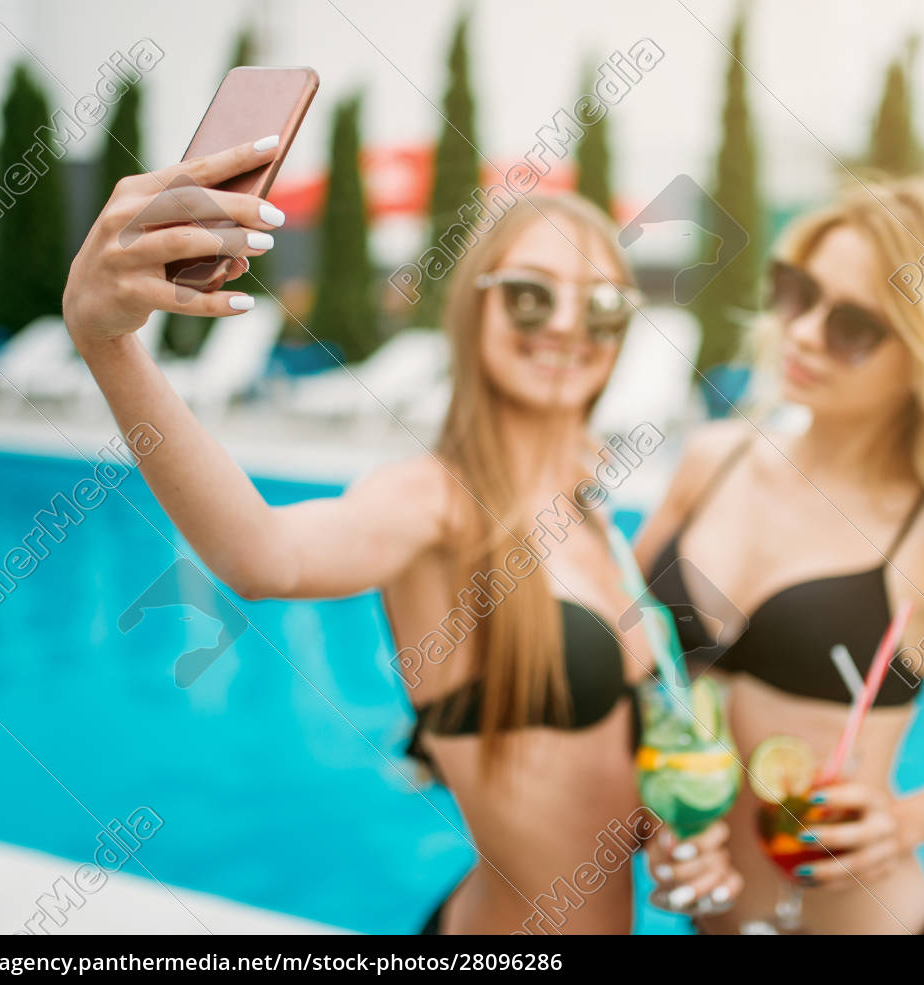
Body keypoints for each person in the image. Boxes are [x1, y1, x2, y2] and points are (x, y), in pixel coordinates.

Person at [61, 138, 739, 934]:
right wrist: (108, 343)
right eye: (529, 295)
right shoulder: (437, 502)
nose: (565, 324)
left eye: (600, 303)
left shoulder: (592, 511)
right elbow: (263, 555)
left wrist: (676, 840)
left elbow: (580, 776)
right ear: (473, 309)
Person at [637, 172, 924, 934]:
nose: (803, 332)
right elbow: (634, 672)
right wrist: (657, 822)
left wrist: (904, 821)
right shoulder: (713, 461)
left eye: (853, 325)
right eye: (798, 291)